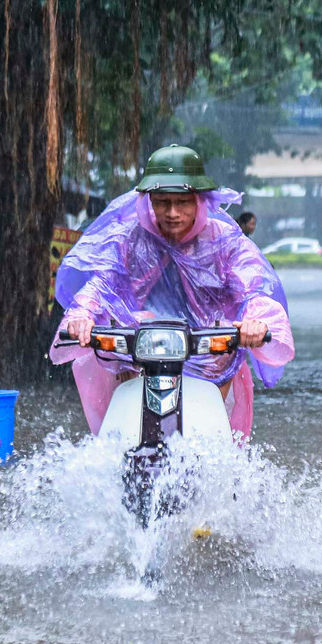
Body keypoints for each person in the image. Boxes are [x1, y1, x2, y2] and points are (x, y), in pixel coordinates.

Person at [51, 144, 294, 439]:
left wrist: (256, 321)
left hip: (209, 356)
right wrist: (82, 315)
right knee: (121, 437)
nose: (173, 213)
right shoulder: (130, 240)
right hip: (140, 357)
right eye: (163, 202)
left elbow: (253, 287)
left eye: (183, 202)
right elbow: (101, 284)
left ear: (200, 201)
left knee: (214, 446)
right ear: (148, 201)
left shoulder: (226, 242)